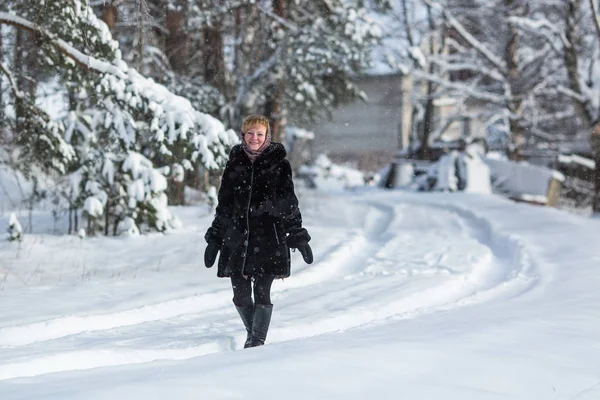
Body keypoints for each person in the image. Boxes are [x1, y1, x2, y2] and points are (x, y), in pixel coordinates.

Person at [204, 114, 313, 348]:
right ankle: (254, 334)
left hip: (268, 239)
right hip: (238, 238)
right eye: (250, 133)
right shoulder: (234, 163)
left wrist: (297, 235)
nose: (255, 138)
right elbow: (224, 205)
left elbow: (289, 203)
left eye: (260, 134)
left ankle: (256, 342)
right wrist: (215, 237)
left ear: (267, 137)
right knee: (241, 295)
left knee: (262, 292)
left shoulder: (279, 164)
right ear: (243, 135)